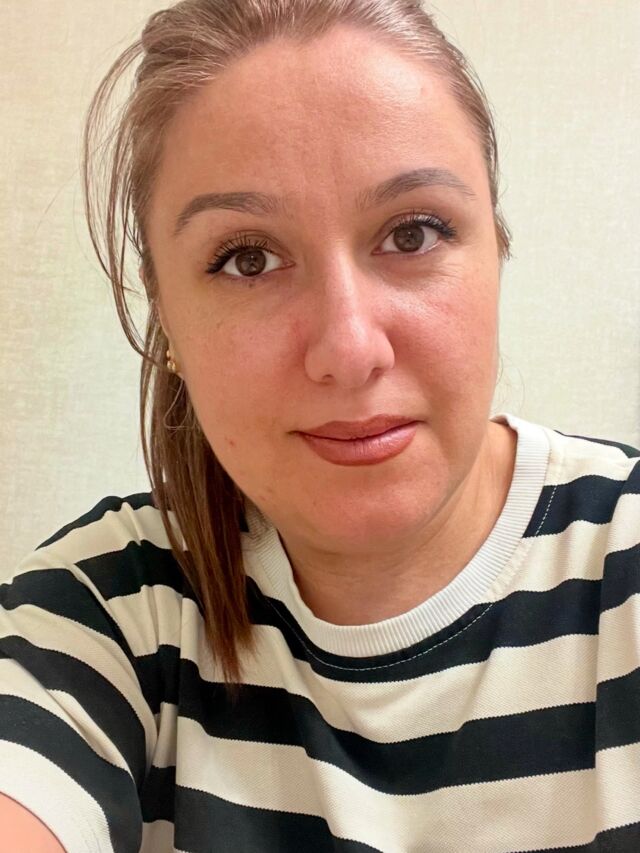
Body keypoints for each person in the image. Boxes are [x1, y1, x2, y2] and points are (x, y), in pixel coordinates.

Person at [1, 0, 639, 850]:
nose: (349, 348)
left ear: (497, 249)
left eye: (412, 232)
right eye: (248, 258)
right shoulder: (105, 614)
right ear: (168, 319)